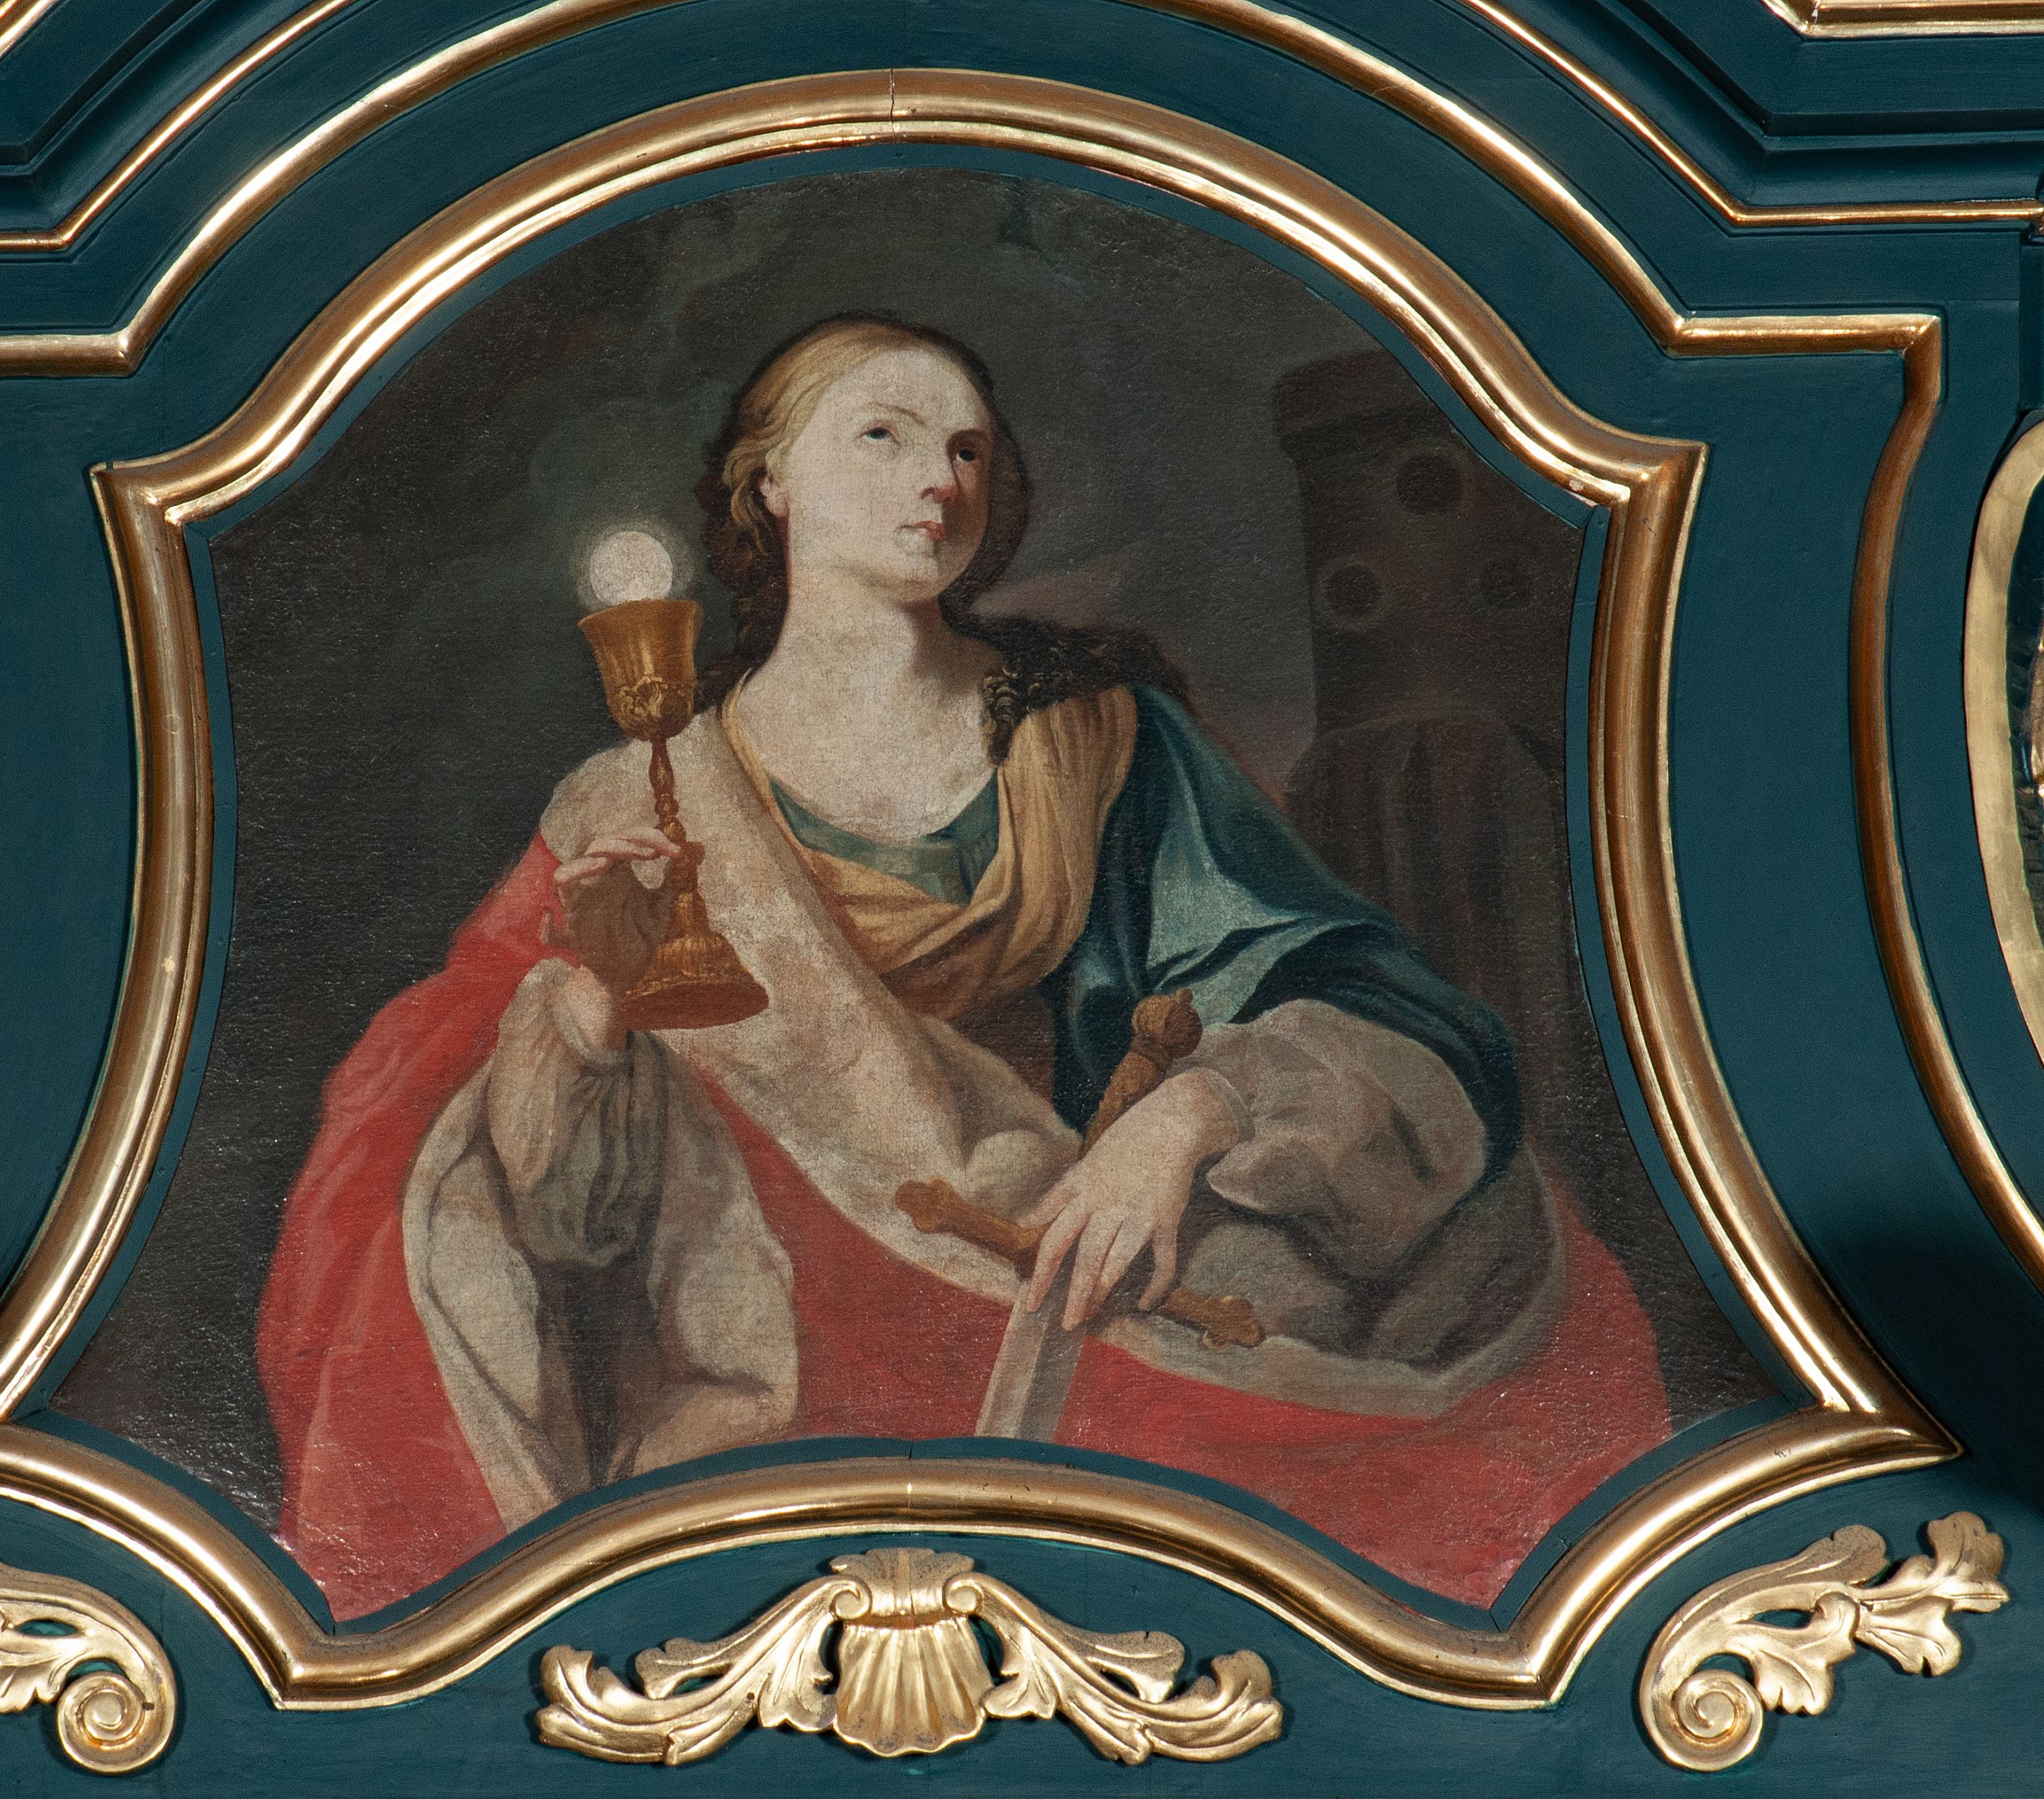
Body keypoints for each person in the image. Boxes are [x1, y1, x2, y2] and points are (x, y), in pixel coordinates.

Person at [256, 315, 1669, 1622]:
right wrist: (591, 1014)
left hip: (1098, 1300)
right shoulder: (636, 805)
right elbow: (530, 1210)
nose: (940, 478)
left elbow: (1368, 1001)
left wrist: (1189, 1117)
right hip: (777, 1363)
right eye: (883, 434)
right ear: (769, 485)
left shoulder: (1095, 742)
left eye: (969, 448)